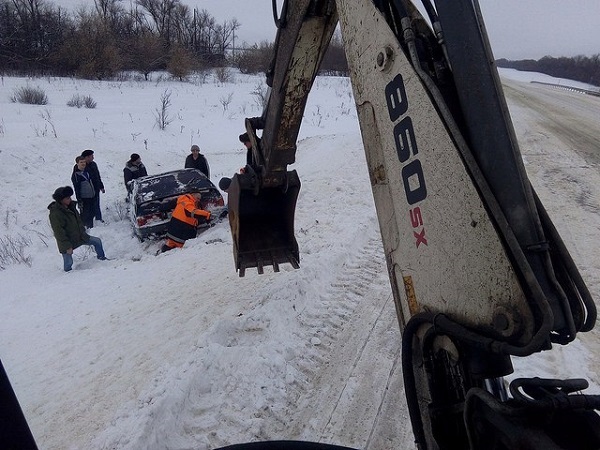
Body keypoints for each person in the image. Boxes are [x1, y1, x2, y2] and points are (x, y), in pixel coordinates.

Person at [48, 186, 107, 272]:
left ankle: (102, 260)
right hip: (67, 242)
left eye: (70, 197)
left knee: (97, 241)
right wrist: (67, 246)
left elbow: (78, 221)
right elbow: (59, 232)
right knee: (68, 263)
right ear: (61, 200)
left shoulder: (71, 206)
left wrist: (83, 232)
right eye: (67, 198)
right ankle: (67, 275)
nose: (70, 199)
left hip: (80, 237)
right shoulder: (55, 214)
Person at [81, 149, 105, 223]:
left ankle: (98, 219)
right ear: (87, 157)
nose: (93, 158)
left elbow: (97, 176)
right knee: (88, 207)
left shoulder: (93, 164)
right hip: (87, 191)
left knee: (96, 204)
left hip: (96, 188)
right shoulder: (82, 167)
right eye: (91, 156)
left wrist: (101, 186)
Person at [71, 156, 95, 229]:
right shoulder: (76, 175)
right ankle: (84, 228)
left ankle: (91, 227)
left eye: (84, 162)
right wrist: (79, 200)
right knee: (85, 214)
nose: (83, 164)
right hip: (84, 198)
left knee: (92, 213)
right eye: (81, 162)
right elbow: (77, 189)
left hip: (91, 196)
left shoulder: (87, 171)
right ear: (77, 163)